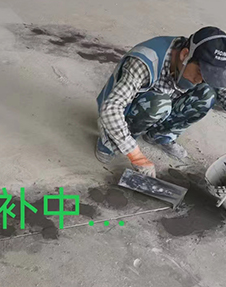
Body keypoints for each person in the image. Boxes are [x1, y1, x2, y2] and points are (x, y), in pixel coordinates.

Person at [96, 26, 226, 177]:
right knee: (159, 105)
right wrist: (136, 156)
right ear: (185, 55)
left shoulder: (196, 62)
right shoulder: (144, 61)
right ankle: (110, 142)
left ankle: (159, 134)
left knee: (207, 94)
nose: (201, 79)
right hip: (130, 107)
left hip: (167, 98)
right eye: (200, 72)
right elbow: (111, 108)